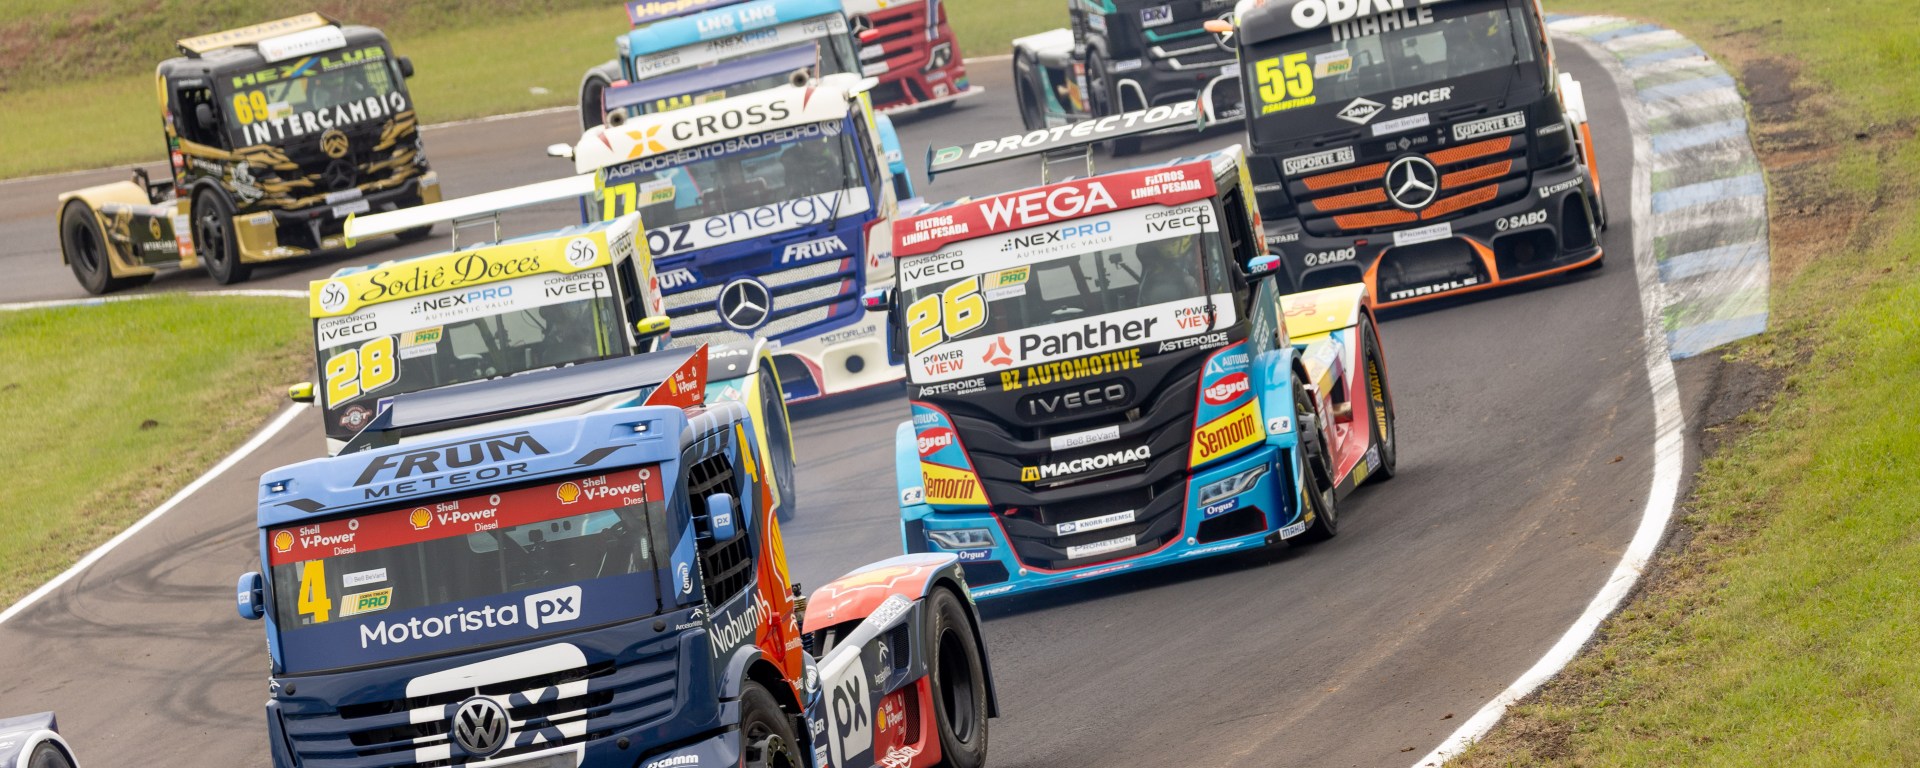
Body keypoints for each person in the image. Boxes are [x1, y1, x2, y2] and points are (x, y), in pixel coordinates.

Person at [1135, 236, 1201, 306]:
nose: (1162, 243)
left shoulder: (1200, 250)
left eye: (1169, 240)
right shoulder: (1153, 261)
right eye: (1159, 241)